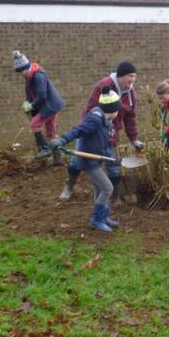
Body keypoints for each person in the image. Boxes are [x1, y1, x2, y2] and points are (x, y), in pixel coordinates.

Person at [59, 61, 143, 203]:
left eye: (134, 77)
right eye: (130, 76)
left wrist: (134, 139)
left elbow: (131, 117)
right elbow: (89, 112)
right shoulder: (103, 86)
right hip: (91, 131)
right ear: (121, 76)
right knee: (76, 162)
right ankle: (69, 186)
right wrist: (94, 134)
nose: (132, 81)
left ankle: (115, 197)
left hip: (111, 133)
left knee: (114, 165)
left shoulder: (130, 93)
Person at [50, 87, 122, 232]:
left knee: (99, 188)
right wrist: (63, 139)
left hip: (96, 159)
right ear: (112, 108)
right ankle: (96, 220)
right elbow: (78, 130)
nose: (118, 113)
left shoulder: (105, 118)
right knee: (108, 188)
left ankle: (103, 217)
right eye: (117, 109)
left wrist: (111, 158)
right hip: (88, 162)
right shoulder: (95, 118)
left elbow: (102, 140)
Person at [13, 50, 65, 165]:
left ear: (26, 67)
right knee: (52, 133)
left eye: (22, 71)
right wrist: (27, 102)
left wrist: (32, 105)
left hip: (50, 106)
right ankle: (57, 160)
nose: (22, 74)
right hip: (50, 106)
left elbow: (42, 96)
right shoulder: (29, 77)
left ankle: (46, 149)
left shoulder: (38, 76)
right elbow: (29, 93)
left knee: (34, 125)